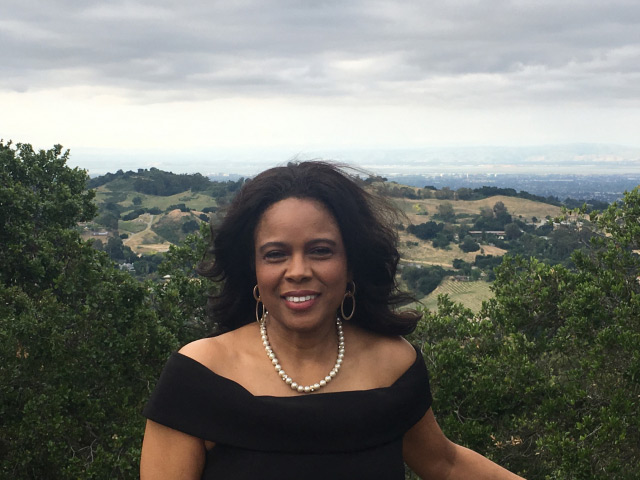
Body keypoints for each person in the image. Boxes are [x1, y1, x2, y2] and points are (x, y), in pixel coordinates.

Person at [140, 161, 525, 479]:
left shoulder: (393, 366)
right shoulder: (200, 376)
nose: (298, 271)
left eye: (320, 251)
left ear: (351, 262)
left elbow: (445, 462)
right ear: (253, 269)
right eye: (275, 254)